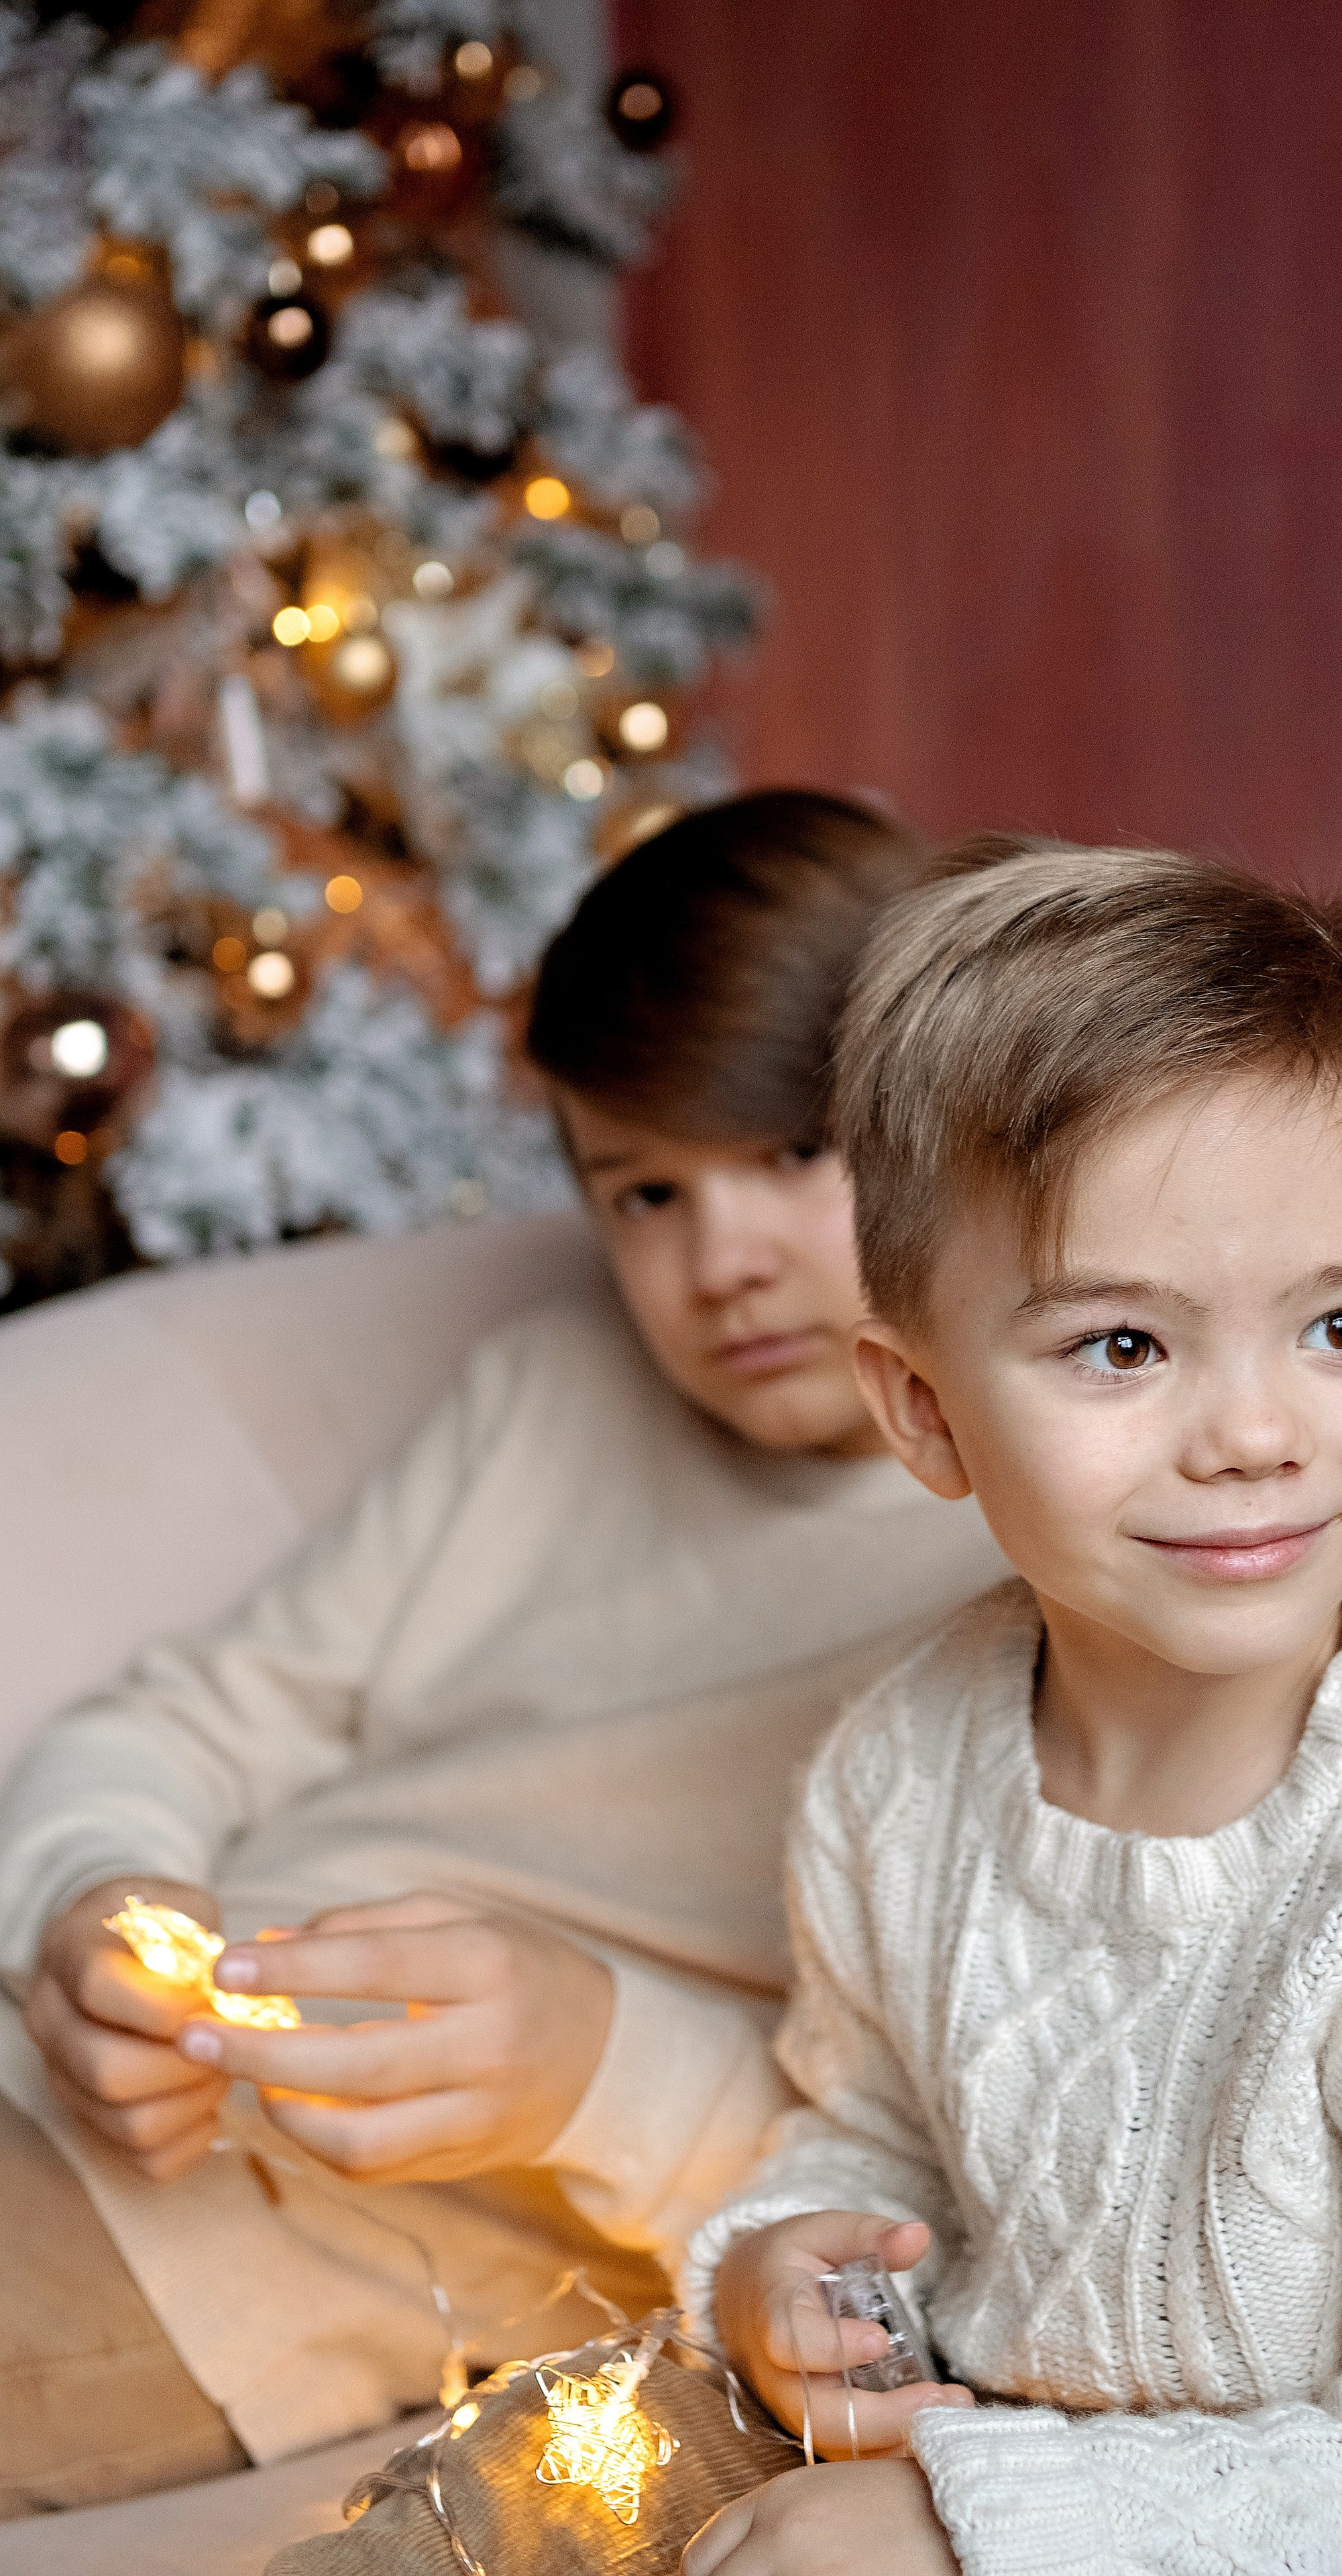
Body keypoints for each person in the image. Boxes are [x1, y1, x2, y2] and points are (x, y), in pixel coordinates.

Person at [682, 842, 1342, 2576]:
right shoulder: (899, 1767)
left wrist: (984, 2522)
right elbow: (865, 2120)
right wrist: (780, 2262)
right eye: (1124, 1347)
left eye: (1341, 1323)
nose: (1257, 1430)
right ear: (924, 1410)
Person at [0, 789, 1008, 2517]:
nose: (723, 1263)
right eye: (642, 1192)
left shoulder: (1054, 1560)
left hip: (266, 2245)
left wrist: (593, 2061)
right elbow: (190, 1722)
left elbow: (950, 2204)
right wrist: (82, 1904)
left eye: (793, 1153)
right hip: (89, 2080)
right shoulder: (553, 1397)